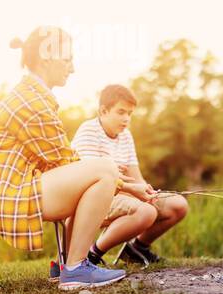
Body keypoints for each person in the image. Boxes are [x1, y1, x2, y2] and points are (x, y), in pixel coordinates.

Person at [0, 26, 151, 290]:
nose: (73, 68)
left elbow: (63, 160)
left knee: (102, 171)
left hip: (11, 190)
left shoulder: (32, 95)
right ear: (46, 58)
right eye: (67, 60)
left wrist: (129, 185)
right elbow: (67, 162)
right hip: (9, 196)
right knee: (104, 170)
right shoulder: (31, 102)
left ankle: (66, 263)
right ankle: (76, 268)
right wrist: (126, 184)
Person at [67, 84, 187, 270]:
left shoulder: (126, 136)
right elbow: (89, 179)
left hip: (122, 194)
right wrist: (131, 188)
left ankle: (136, 250)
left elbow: (136, 176)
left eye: (129, 114)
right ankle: (93, 254)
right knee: (147, 212)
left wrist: (148, 191)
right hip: (93, 200)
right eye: (121, 112)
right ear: (103, 111)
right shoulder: (89, 130)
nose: (126, 119)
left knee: (178, 205)